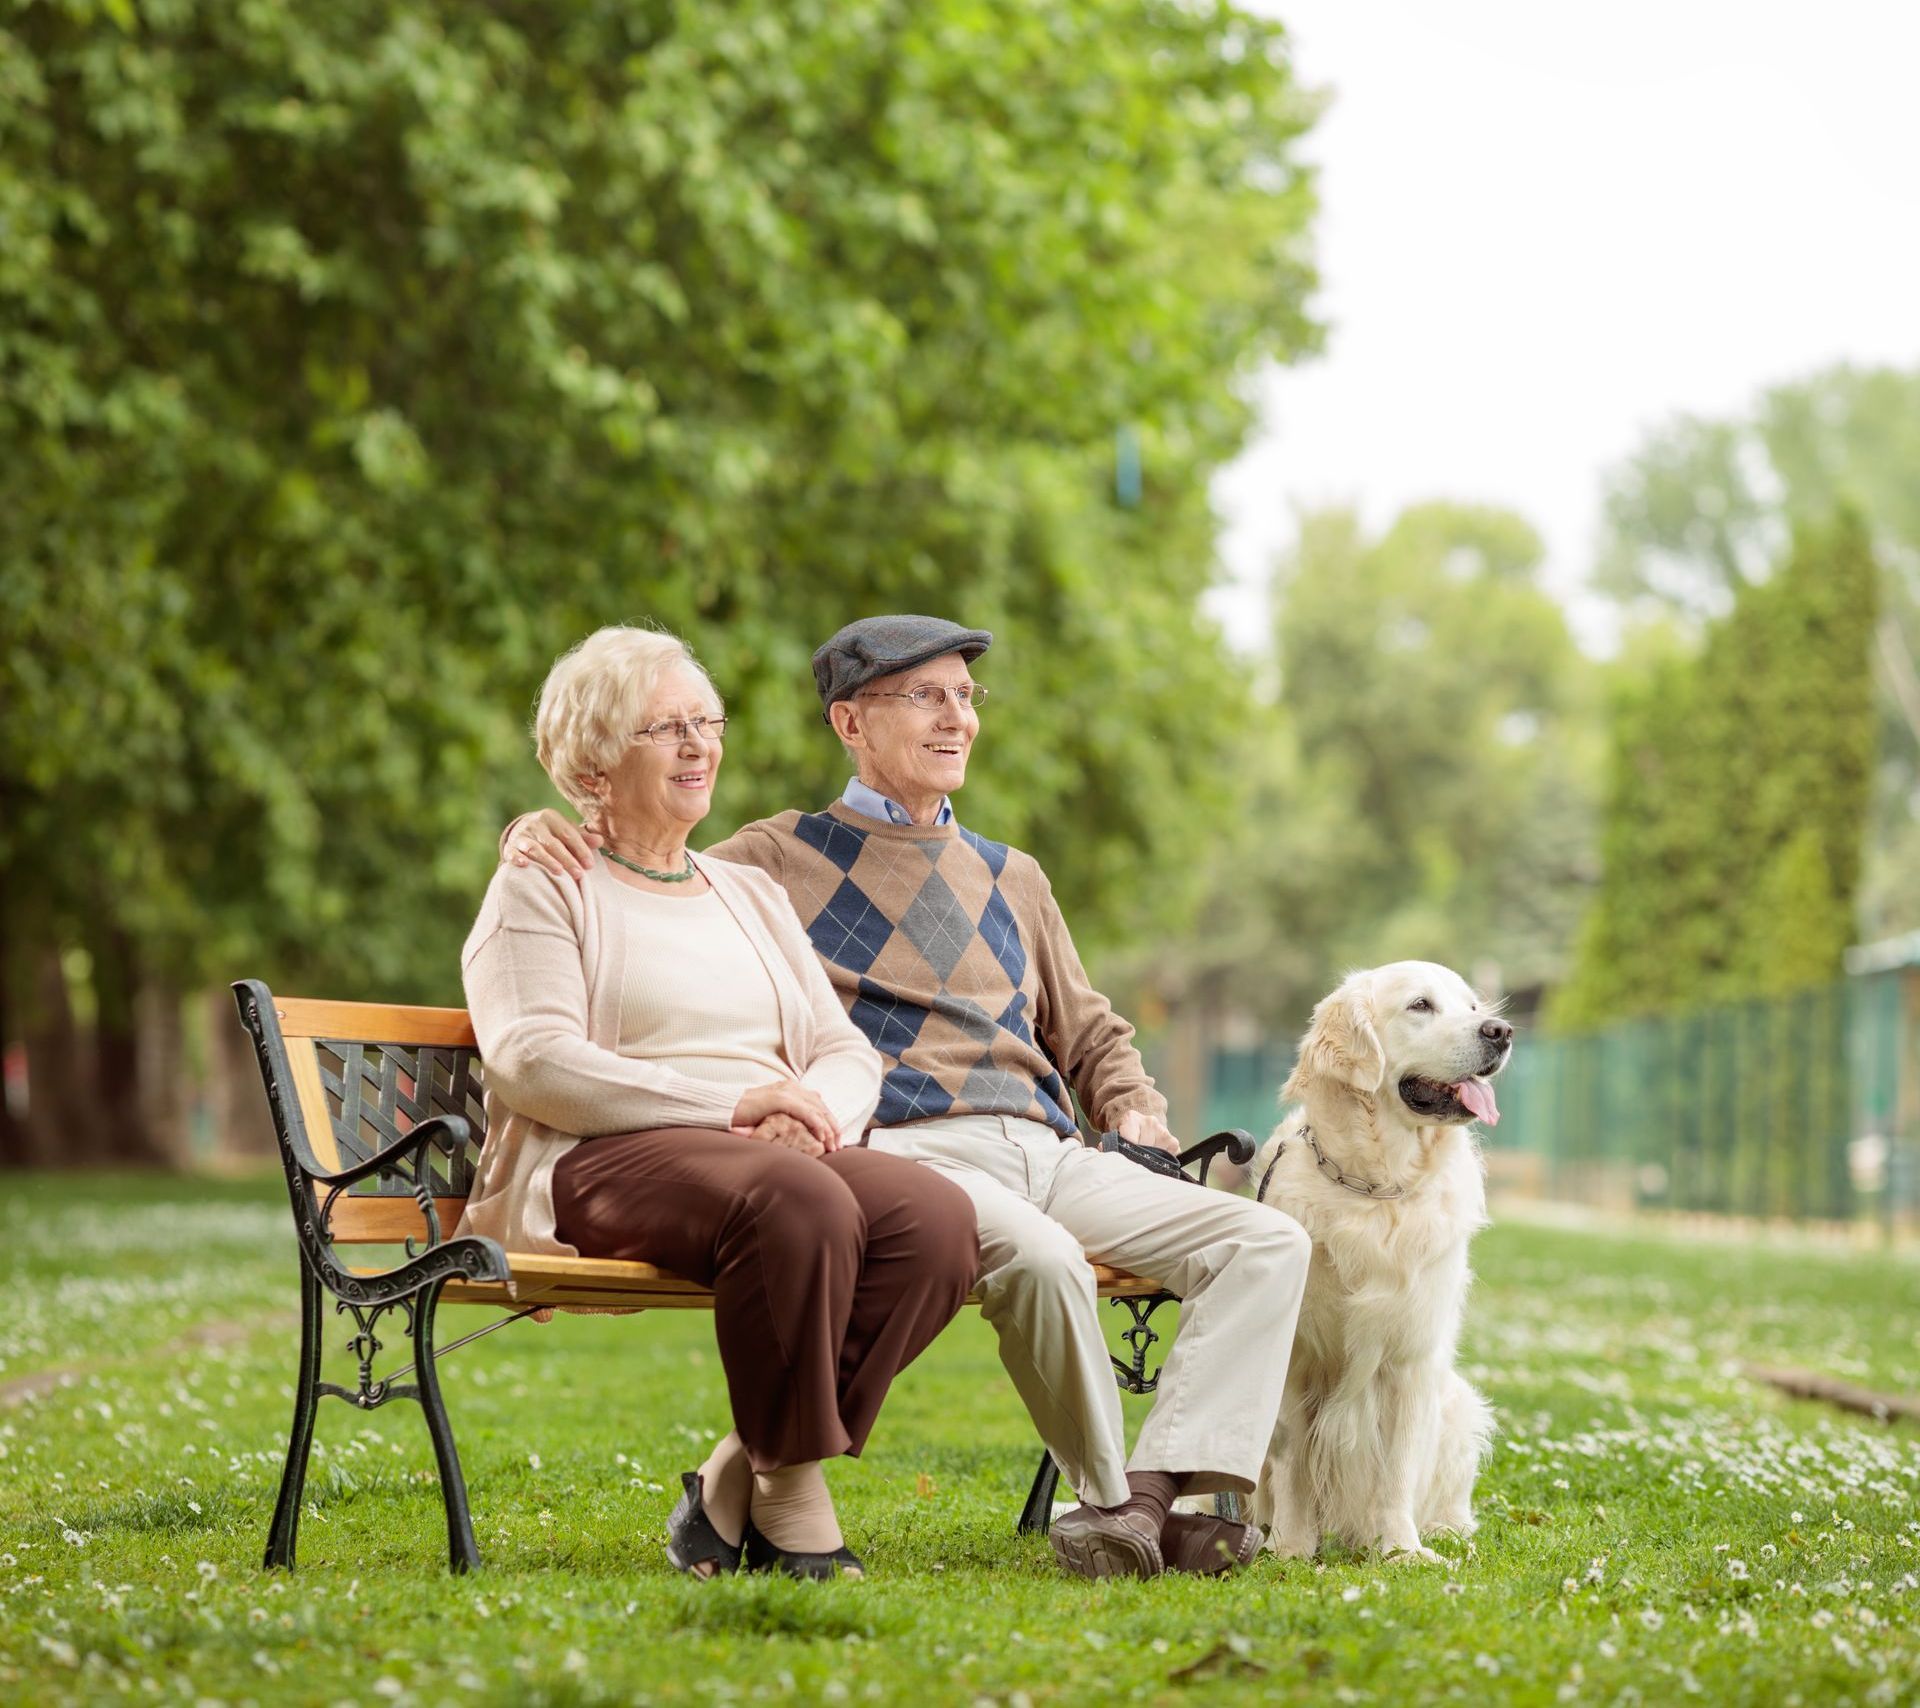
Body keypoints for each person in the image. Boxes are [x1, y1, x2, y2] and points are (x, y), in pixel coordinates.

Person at [506, 616, 1312, 1579]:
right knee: (1043, 1263)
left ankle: (1143, 1497)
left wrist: (1133, 1104)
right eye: (926, 695)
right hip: (907, 1145)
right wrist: (540, 826)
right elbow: (645, 862)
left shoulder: (1016, 875)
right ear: (850, 721)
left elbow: (1091, 1030)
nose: (957, 718)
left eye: (966, 697)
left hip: (1048, 1146)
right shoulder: (774, 859)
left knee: (1266, 1242)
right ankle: (1109, 1507)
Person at [460, 625, 979, 1581]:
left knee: (937, 1219)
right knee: (801, 1200)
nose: (700, 744)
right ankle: (792, 1493)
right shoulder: (542, 882)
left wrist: (807, 1109)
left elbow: (840, 1046)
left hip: (772, 1150)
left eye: (708, 722)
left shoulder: (746, 891)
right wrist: (736, 1105)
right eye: (668, 728)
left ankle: (736, 1472)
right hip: (607, 1155)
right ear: (597, 756)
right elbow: (533, 1060)